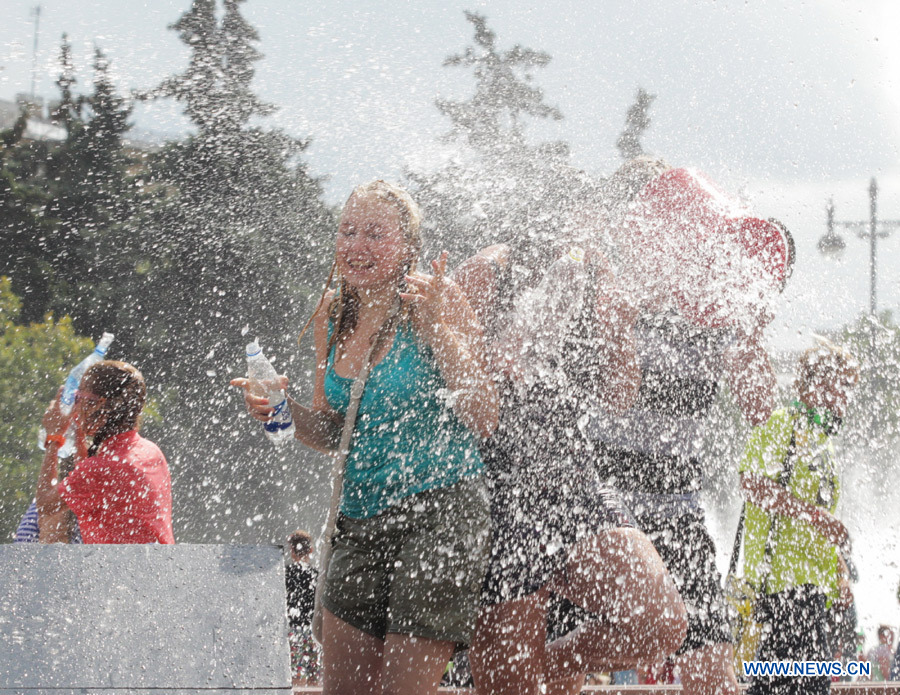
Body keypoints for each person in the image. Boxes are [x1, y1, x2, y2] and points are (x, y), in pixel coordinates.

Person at [232, 180, 497, 695]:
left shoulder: (438, 298)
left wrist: (438, 328)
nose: (357, 246)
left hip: (442, 513)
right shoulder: (332, 315)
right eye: (348, 231)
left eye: (376, 234)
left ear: (408, 247)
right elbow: (334, 430)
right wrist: (278, 410)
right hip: (358, 520)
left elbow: (485, 414)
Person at [577, 157, 795, 695]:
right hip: (605, 507)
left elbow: (764, 411)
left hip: (678, 506)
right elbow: (614, 396)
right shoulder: (609, 290)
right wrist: (618, 321)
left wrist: (752, 333)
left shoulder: (717, 313)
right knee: (585, 665)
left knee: (717, 673)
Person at [452, 222, 687, 695]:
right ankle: (518, 672)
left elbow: (619, 398)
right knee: (507, 688)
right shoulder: (487, 271)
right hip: (498, 497)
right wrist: (490, 354)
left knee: (662, 622)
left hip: (575, 485)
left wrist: (620, 330)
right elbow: (448, 367)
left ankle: (546, 661)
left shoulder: (597, 277)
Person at [739, 340, 860, 695]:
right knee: (808, 684)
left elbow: (819, 517)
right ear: (813, 386)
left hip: (809, 588)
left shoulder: (823, 440)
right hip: (783, 584)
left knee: (780, 684)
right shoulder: (784, 423)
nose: (845, 398)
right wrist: (818, 519)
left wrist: (838, 571)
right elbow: (751, 485)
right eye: (840, 386)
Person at [36, 360, 174, 544]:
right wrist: (80, 429)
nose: (74, 406)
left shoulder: (100, 469)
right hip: (159, 567)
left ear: (97, 404)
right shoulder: (151, 452)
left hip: (116, 571)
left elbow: (45, 504)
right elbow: (93, 481)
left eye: (78, 398)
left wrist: (54, 437)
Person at [285, 529, 321, 687]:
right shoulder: (317, 575)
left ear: (292, 550)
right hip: (313, 633)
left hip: (293, 632)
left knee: (296, 680)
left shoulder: (284, 574)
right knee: (314, 679)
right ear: (311, 550)